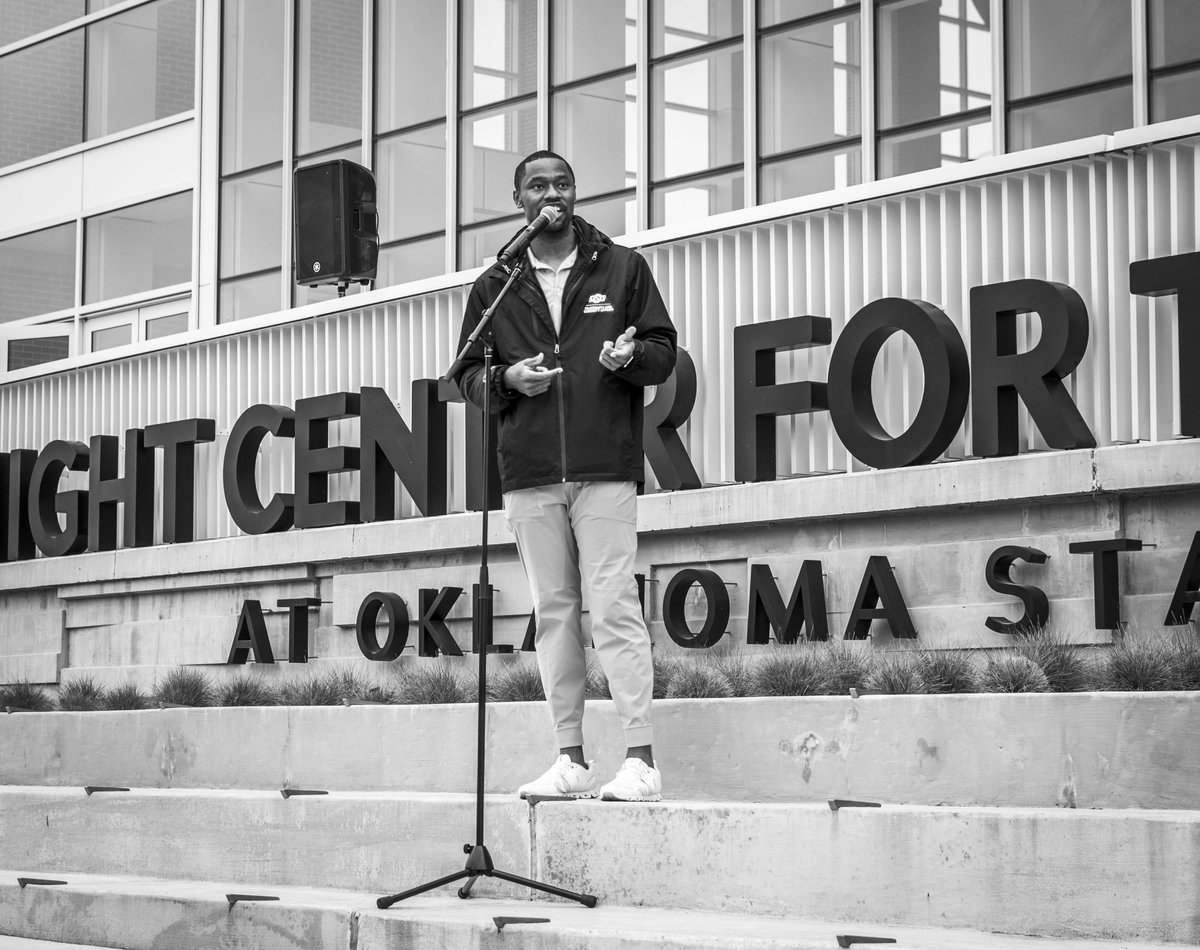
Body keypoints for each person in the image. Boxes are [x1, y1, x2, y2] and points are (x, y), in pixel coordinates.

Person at [452, 150, 676, 803]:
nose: (552, 193)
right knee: (553, 614)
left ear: (575, 193)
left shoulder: (622, 267)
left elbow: (663, 352)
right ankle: (571, 759)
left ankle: (640, 762)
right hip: (530, 472)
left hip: (604, 464)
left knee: (614, 608)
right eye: (538, 185)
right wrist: (506, 379)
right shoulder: (496, 284)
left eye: (563, 183)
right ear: (519, 199)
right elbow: (465, 375)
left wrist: (631, 356)